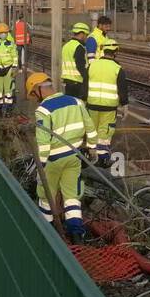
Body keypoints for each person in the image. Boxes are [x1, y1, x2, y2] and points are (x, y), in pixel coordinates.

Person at [26, 72, 98, 243]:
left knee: (45, 195)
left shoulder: (43, 110)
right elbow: (90, 127)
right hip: (74, 157)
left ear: (38, 90)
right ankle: (76, 235)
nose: (36, 99)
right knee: (71, 195)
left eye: (34, 94)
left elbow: (43, 143)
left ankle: (46, 232)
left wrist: (41, 165)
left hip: (52, 161)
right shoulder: (77, 102)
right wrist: (92, 148)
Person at [85, 37, 129, 166]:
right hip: (109, 107)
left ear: (103, 51)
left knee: (92, 130)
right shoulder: (117, 68)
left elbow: (85, 85)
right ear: (115, 52)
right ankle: (102, 158)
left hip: (91, 104)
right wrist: (125, 105)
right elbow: (122, 89)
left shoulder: (92, 65)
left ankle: (90, 155)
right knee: (104, 132)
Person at [61, 22, 91, 100]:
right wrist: (87, 78)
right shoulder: (79, 47)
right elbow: (80, 66)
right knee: (78, 106)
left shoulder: (66, 45)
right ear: (82, 33)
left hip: (67, 81)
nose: (86, 37)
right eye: (86, 35)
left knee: (70, 104)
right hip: (77, 82)